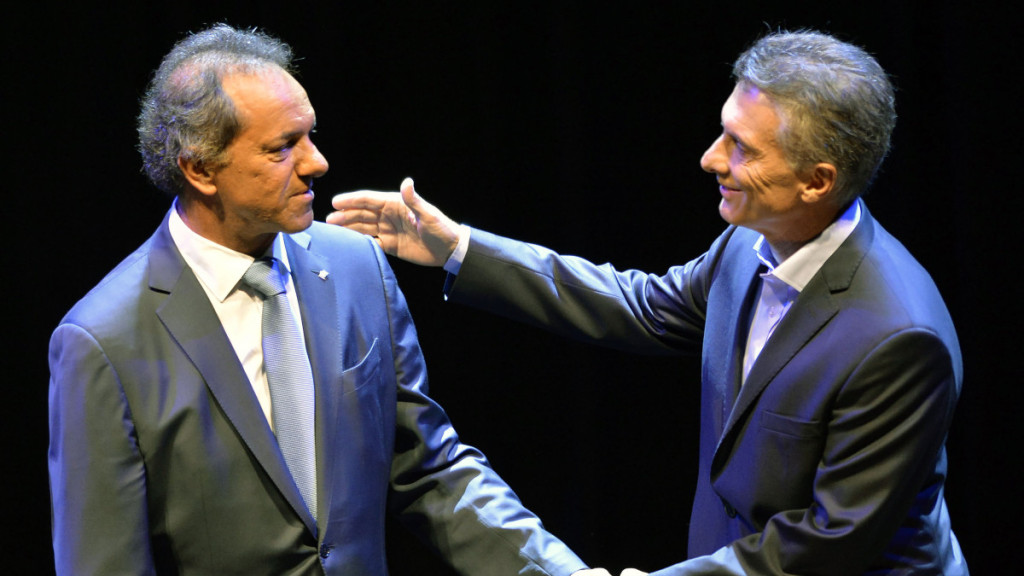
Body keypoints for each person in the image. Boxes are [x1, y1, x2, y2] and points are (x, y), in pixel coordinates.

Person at [328, 30, 968, 575]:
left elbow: (834, 540)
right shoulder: (749, 241)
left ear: (817, 182)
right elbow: (640, 306)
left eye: (742, 148)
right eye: (723, 133)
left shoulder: (898, 339)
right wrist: (458, 248)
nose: (710, 159)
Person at [47, 23, 612, 576]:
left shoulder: (355, 267)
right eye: (282, 147)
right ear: (200, 169)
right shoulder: (103, 342)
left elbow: (428, 467)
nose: (316, 162)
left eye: (309, 135)